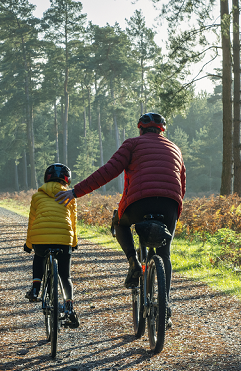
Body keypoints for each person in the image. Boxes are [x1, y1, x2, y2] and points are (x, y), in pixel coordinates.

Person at [55, 112, 185, 325]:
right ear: (162, 130)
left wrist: (76, 192)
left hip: (139, 203)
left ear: (140, 128)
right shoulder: (174, 148)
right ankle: (165, 307)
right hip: (170, 204)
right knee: (164, 253)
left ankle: (134, 262)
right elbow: (182, 182)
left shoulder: (132, 144)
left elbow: (108, 171)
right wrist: (175, 211)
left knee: (120, 222)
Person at [23, 163, 80, 328]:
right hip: (64, 240)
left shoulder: (36, 196)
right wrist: (74, 243)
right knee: (65, 276)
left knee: (39, 256)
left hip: (40, 239)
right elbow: (73, 223)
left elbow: (31, 222)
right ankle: (69, 306)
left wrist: (29, 244)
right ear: (67, 179)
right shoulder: (70, 196)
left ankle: (35, 288)